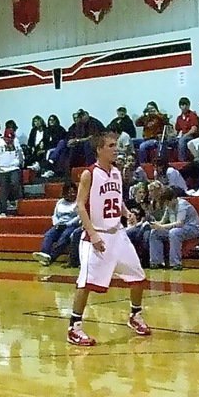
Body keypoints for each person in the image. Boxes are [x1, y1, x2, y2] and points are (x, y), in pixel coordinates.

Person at [67, 131, 151, 346]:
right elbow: (79, 205)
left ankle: (135, 315)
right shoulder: (89, 174)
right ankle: (74, 327)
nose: (116, 149)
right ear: (99, 149)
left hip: (118, 234)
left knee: (138, 277)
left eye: (116, 145)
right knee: (85, 283)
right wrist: (93, 235)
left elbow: (115, 199)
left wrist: (126, 213)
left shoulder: (116, 172)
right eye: (111, 145)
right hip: (96, 236)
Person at [148, 193, 199, 270]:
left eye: (168, 202)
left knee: (174, 233)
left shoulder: (182, 205)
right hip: (178, 229)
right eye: (166, 203)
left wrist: (161, 227)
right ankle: (156, 262)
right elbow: (163, 221)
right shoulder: (168, 206)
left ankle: (176, 263)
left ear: (173, 199)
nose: (167, 205)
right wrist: (155, 224)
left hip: (193, 228)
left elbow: (179, 223)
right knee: (155, 232)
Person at [33, 181, 81, 266]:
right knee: (49, 235)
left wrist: (67, 224)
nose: (72, 194)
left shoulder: (78, 202)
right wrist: (56, 223)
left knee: (65, 236)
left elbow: (79, 217)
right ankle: (44, 254)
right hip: (59, 224)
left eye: (73, 192)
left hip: (71, 225)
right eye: (69, 192)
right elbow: (55, 215)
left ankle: (51, 257)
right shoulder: (60, 202)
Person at [0, 127, 23, 216]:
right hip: (2, 169)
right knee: (3, 190)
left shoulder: (16, 142)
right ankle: (2, 211)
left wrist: (20, 162)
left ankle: (13, 199)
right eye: (8, 139)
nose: (9, 141)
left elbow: (20, 153)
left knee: (15, 183)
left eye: (11, 139)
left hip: (14, 167)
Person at [173, 97, 199, 162]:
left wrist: (185, 135)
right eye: (183, 105)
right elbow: (176, 130)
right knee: (169, 142)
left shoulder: (192, 115)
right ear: (180, 106)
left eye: (186, 105)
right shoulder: (179, 118)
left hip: (191, 136)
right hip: (182, 136)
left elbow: (194, 129)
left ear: (189, 105)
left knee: (182, 140)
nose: (185, 106)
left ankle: (182, 161)